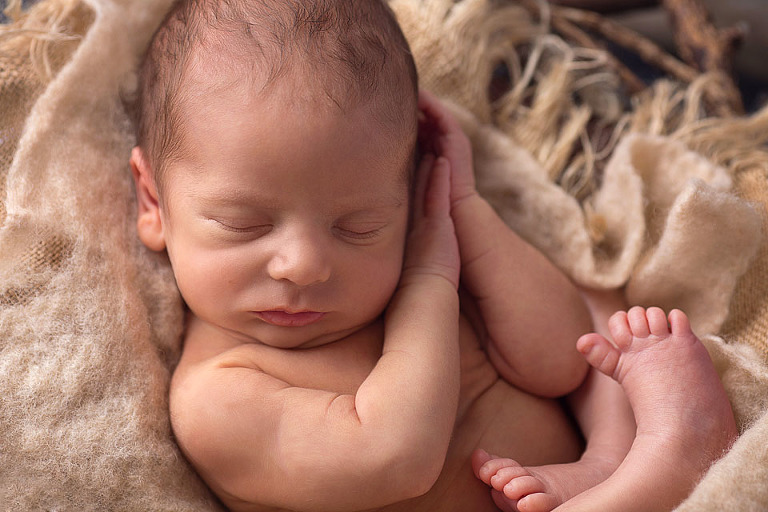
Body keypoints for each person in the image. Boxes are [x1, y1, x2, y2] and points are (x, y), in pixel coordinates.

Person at [127, 1, 738, 511]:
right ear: (153, 202)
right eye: (244, 224)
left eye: (358, 225)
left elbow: (559, 363)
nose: (304, 265)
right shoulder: (217, 398)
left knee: (594, 299)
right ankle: (662, 466)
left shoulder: (415, 265)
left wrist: (463, 212)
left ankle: (610, 461)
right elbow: (399, 460)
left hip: (564, 474)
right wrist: (428, 279)